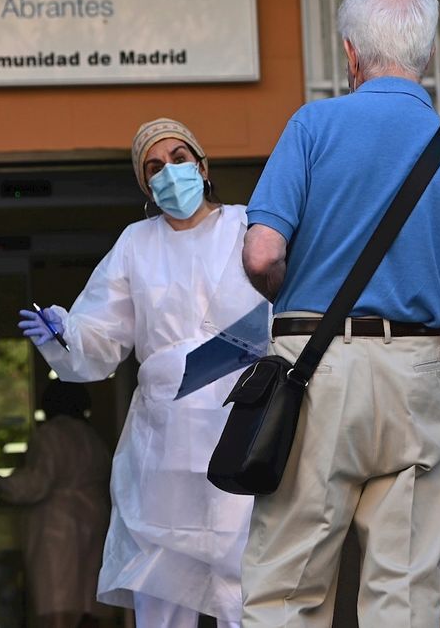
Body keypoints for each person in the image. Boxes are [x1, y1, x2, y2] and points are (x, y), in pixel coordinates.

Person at [240, 0, 440, 626]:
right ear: (425, 56)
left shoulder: (313, 126)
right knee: (406, 592)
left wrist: (291, 299)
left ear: (350, 51)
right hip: (422, 379)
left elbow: (260, 254)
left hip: (317, 370)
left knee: (288, 586)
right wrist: (423, 348)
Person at [18, 118, 270, 628]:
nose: (169, 172)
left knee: (242, 579)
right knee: (161, 582)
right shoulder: (136, 243)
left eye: (178, 159)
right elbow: (101, 333)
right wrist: (64, 333)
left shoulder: (248, 227)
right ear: (145, 185)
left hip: (238, 420)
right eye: (154, 167)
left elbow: (280, 308)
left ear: (202, 165)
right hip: (165, 437)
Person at [0, 383, 113, 628]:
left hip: (57, 530)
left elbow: (35, 484)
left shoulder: (51, 434)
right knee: (88, 606)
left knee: (58, 604)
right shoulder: (93, 438)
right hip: (95, 524)